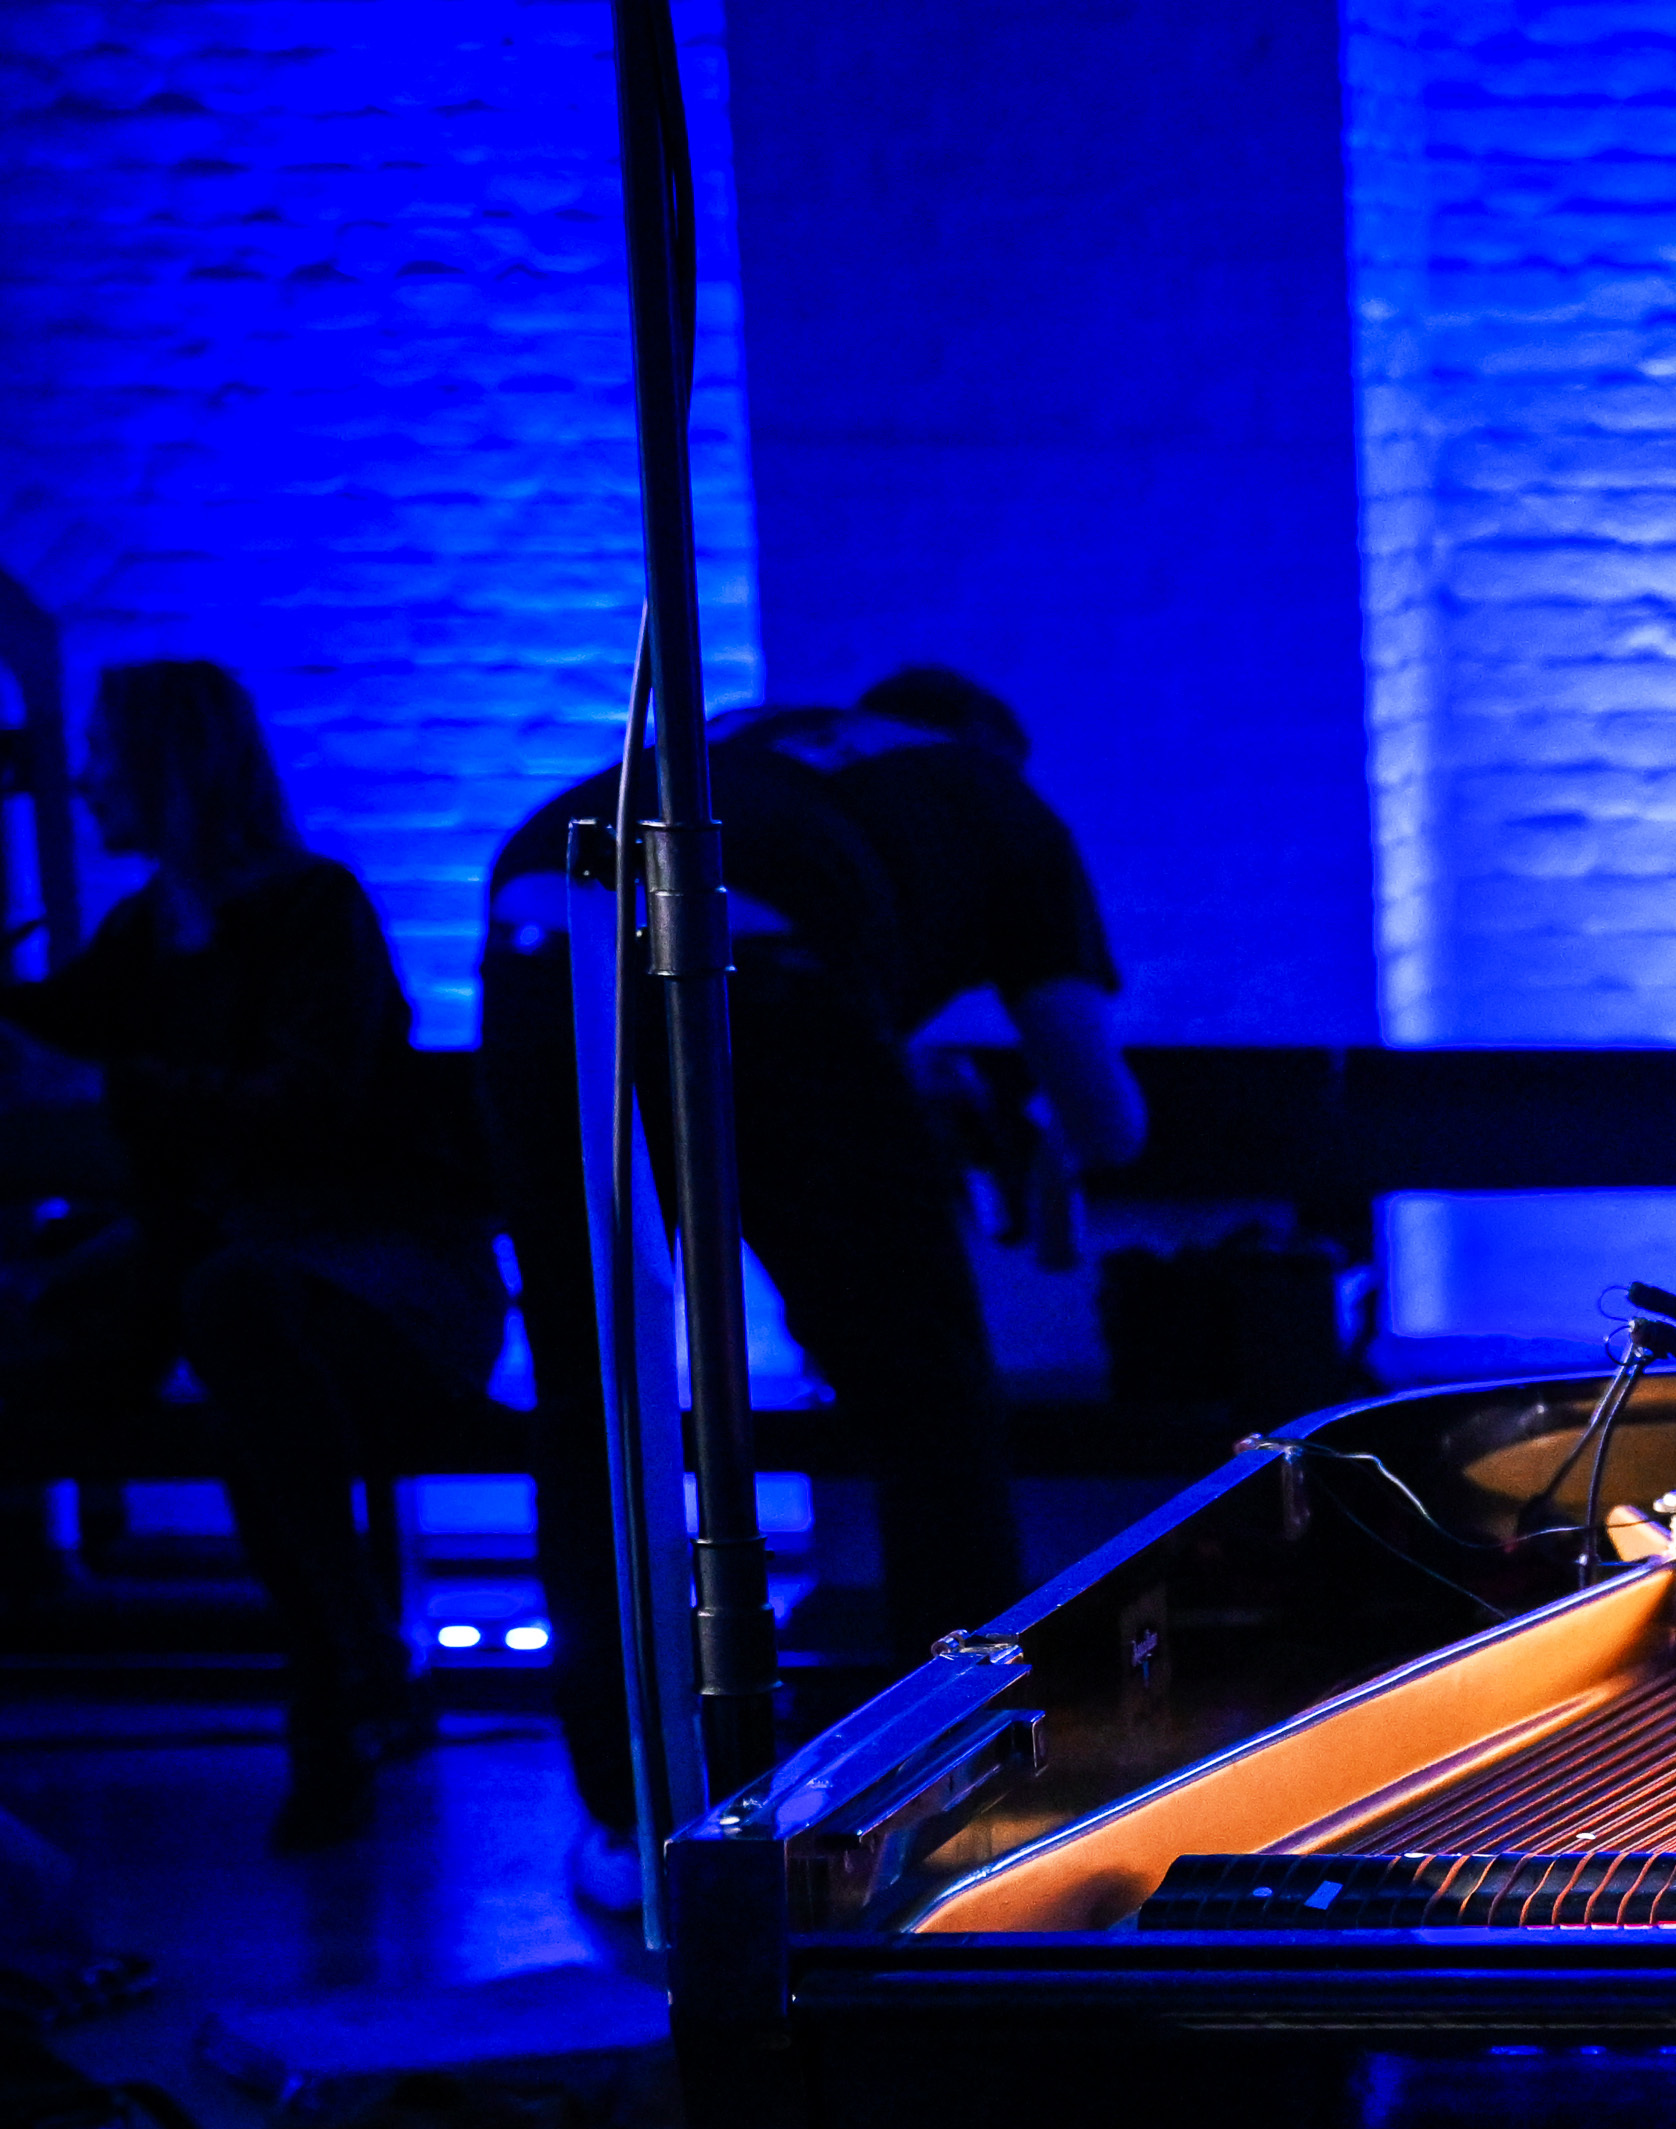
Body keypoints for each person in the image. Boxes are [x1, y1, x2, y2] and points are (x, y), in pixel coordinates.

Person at [481, 666, 1143, 1889]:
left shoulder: (774, 742)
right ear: (986, 744)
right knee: (927, 1401)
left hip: (541, 928)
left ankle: (630, 1808)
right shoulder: (993, 793)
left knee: (594, 1393)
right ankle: (952, 1777)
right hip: (764, 954)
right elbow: (1107, 1120)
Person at [0, 662, 503, 1848]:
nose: (84, 783)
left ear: (170, 765)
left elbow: (308, 1110)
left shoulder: (310, 909)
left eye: (103, 755)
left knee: (231, 1310)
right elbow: (60, 1029)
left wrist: (104, 1087)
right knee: (224, 1344)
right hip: (257, 1303)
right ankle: (353, 1673)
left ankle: (344, 1684)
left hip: (383, 1288)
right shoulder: (145, 933)